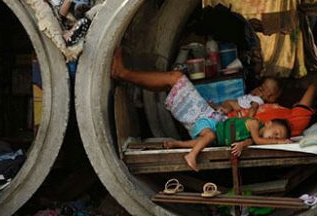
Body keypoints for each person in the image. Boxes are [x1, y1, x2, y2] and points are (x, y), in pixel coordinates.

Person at [112, 47, 294, 171]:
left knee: (175, 78)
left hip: (206, 120)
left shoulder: (257, 132)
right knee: (172, 82)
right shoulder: (256, 121)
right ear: (268, 123)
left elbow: (257, 140)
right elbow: (251, 135)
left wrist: (280, 143)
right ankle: (129, 77)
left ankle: (122, 73)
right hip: (212, 118)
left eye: (278, 137)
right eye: (276, 133)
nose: (275, 137)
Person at [215, 77, 281, 117]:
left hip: (233, 105)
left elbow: (253, 108)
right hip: (232, 102)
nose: (260, 88)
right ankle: (214, 106)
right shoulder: (257, 95)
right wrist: (254, 92)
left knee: (225, 110)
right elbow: (250, 94)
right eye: (262, 86)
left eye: (265, 88)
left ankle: (214, 106)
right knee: (224, 109)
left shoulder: (258, 100)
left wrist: (249, 118)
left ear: (269, 96)